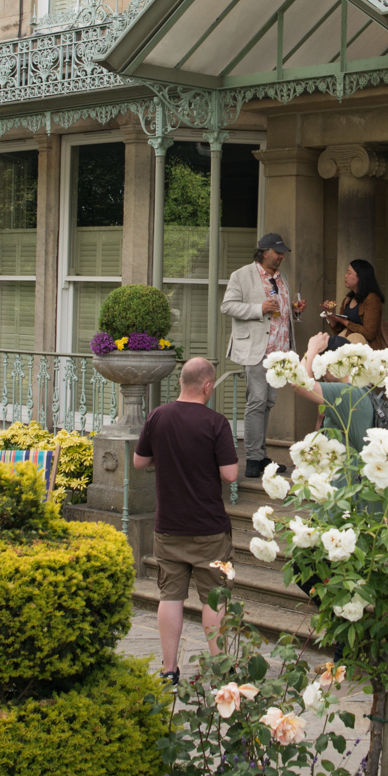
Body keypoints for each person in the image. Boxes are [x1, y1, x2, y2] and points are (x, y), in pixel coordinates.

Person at [133, 357, 240, 684]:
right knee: (214, 597)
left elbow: (140, 462)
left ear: (182, 382)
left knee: (170, 596)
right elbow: (230, 474)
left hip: (168, 528)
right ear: (207, 386)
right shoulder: (216, 423)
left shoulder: (158, 417)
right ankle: (221, 667)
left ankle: (169, 670)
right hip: (209, 529)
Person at [221, 233, 300, 479]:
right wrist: (259, 308)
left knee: (268, 403)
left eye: (283, 252)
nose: (282, 256)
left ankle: (261, 453)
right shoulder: (241, 275)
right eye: (278, 252)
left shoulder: (282, 278)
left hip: (280, 352)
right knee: (256, 402)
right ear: (264, 251)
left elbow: (282, 312)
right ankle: (253, 459)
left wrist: (294, 311)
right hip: (257, 351)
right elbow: (227, 306)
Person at [321, 259, 388, 349]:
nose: (345, 276)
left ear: (360, 276)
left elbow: (370, 334)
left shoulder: (372, 299)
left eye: (349, 273)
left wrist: (344, 321)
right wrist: (331, 314)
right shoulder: (347, 300)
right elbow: (339, 332)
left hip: (364, 351)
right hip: (346, 347)